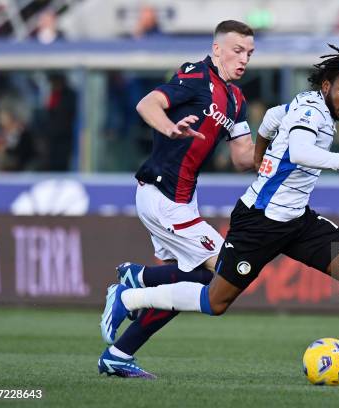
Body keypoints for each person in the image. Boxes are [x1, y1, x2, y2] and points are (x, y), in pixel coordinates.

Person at [101, 45, 339, 382]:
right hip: (259, 221)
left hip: (297, 220)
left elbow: (269, 119)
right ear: (327, 86)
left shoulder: (308, 104)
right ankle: (129, 297)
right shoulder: (312, 112)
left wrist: (261, 157)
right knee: (215, 300)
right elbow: (299, 151)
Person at [97, 20, 258, 379]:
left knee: (185, 286)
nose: (244, 59)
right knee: (228, 269)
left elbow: (243, 158)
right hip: (161, 194)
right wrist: (168, 127)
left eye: (249, 53)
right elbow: (148, 103)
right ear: (216, 49)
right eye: (237, 50)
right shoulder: (196, 75)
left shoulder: (236, 99)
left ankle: (119, 355)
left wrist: (281, 148)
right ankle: (134, 281)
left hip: (183, 201)